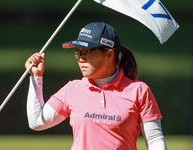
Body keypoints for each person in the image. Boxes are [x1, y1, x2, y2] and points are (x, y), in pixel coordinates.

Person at [25, 22, 167, 150]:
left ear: (109, 55)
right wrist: (36, 77)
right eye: (77, 52)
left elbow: (154, 140)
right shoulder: (72, 89)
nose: (81, 58)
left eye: (86, 51)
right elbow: (37, 121)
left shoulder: (139, 91)